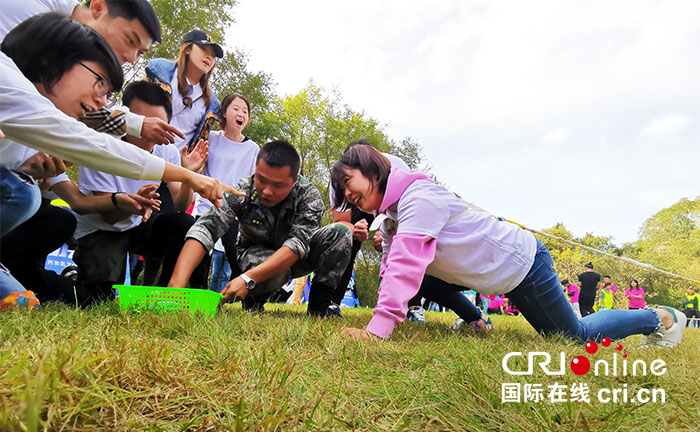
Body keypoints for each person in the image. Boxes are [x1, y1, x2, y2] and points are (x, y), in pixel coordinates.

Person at [331, 145, 687, 348]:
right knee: (561, 335)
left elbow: (407, 264)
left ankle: (660, 318)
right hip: (503, 279)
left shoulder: (418, 198)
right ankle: (475, 320)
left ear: (374, 168)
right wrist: (385, 315)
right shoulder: (393, 214)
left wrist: (376, 332)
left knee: (573, 337)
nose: (348, 196)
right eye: (343, 191)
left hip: (526, 265)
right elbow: (392, 269)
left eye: (349, 183)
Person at [169, 140, 353, 317]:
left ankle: (320, 306)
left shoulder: (309, 196)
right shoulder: (243, 190)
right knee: (272, 267)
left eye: (278, 185)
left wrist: (248, 279)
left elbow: (297, 245)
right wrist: (176, 285)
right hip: (255, 255)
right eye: (261, 179)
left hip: (297, 257)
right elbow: (207, 228)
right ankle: (254, 300)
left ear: (294, 180)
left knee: (341, 233)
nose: (266, 191)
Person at [71, 81, 208, 304]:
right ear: (125, 119)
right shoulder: (102, 144)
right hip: (101, 228)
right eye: (142, 125)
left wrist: (187, 177)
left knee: (185, 226)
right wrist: (134, 204)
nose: (148, 135)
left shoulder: (167, 150)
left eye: (157, 126)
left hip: (138, 222)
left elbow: (182, 206)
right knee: (97, 300)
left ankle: (167, 298)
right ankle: (75, 278)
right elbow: (107, 215)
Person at [0, 0, 184, 144]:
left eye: (140, 53)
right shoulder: (35, 10)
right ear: (98, 8)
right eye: (129, 40)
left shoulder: (75, 67)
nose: (131, 57)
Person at [193, 93, 259, 279]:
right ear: (224, 112)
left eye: (245, 111)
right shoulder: (211, 138)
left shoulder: (252, 149)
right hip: (206, 206)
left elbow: (254, 183)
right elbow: (197, 170)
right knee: (200, 254)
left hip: (234, 211)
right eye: (236, 109)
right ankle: (197, 294)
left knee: (235, 255)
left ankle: (244, 298)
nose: (241, 114)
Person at [145, 29, 223, 152]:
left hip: (172, 164)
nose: (209, 57)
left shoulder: (212, 105)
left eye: (213, 55)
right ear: (187, 49)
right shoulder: (159, 72)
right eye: (203, 49)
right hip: (140, 148)